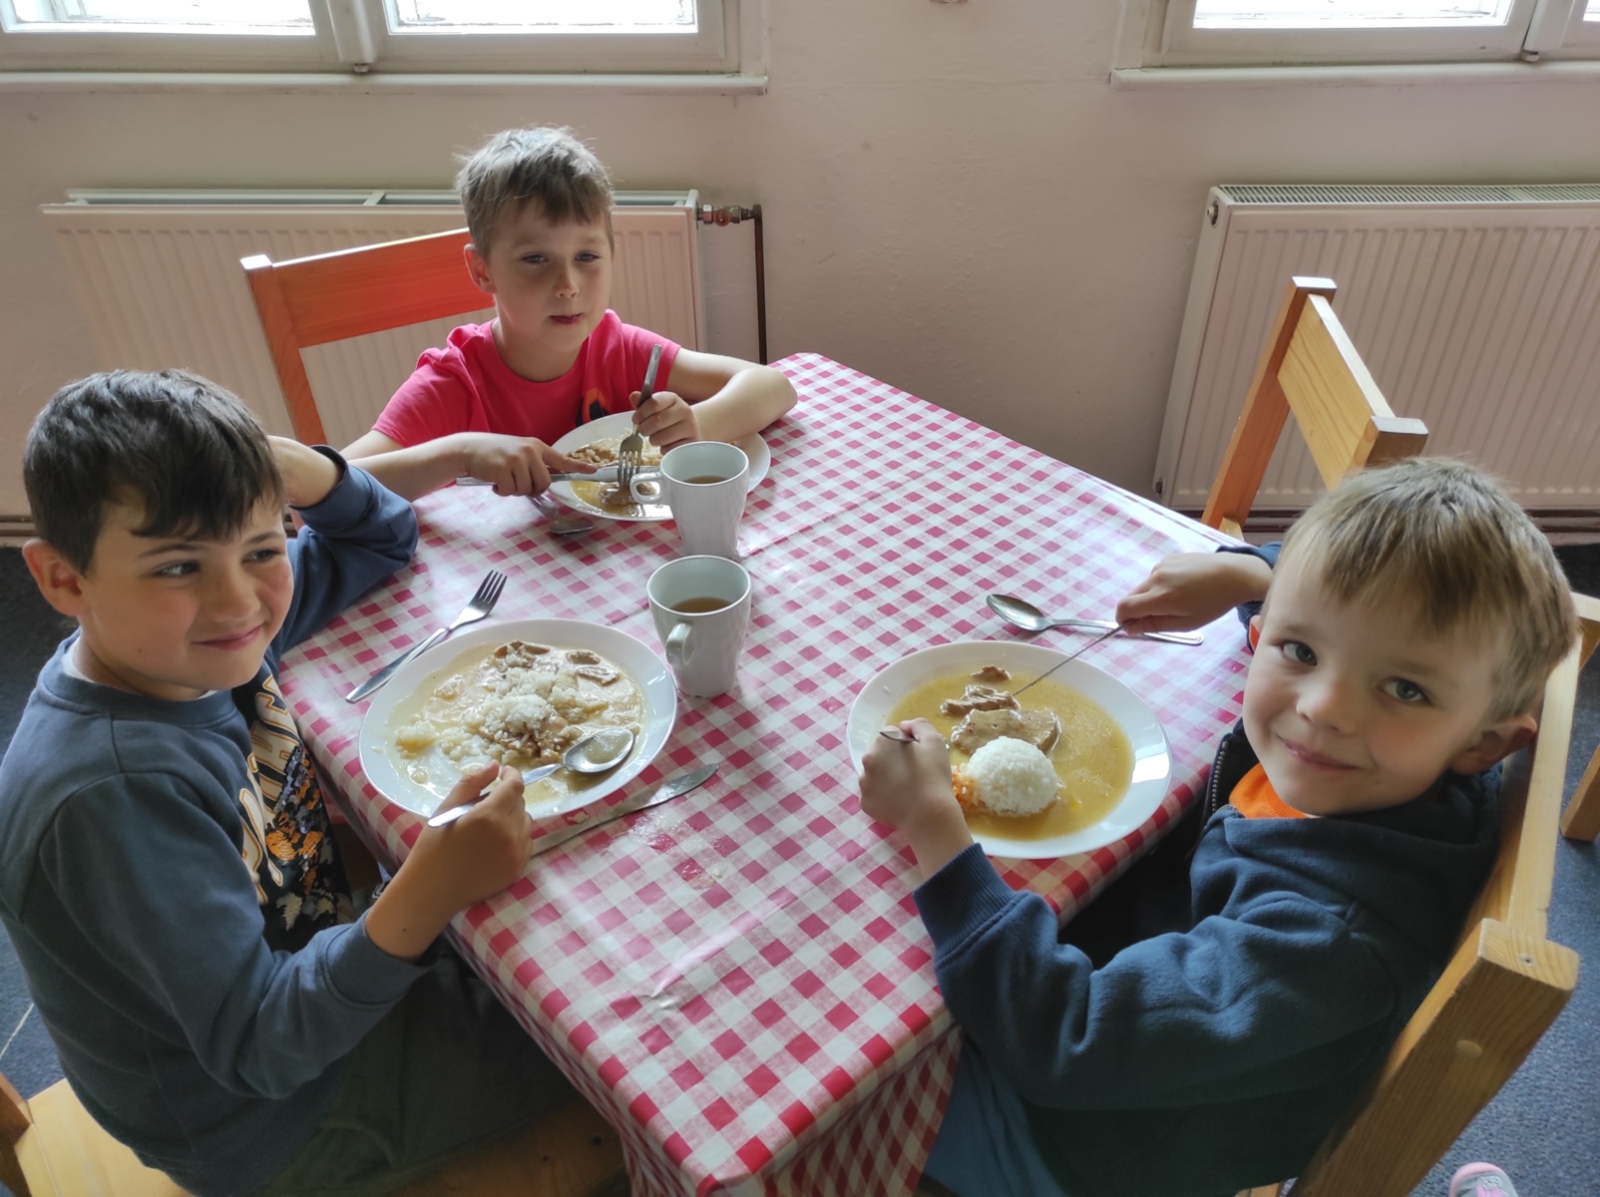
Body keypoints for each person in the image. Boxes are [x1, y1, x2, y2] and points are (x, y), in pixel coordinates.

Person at [858, 458, 1577, 1197]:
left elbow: (1064, 1036)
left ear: (1485, 744)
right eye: (1301, 650)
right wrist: (1248, 573)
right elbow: (1337, 592)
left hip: (1072, 1145)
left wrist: (933, 823)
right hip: (1146, 995)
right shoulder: (1397, 766)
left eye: (1405, 688)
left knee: (845, 1073)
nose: (1323, 706)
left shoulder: (1326, 942)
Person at [0, 370, 572, 1197]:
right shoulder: (112, 794)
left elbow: (382, 540)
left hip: (312, 966)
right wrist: (426, 889)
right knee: (593, 1036)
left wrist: (301, 469)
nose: (239, 600)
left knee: (549, 934)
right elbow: (261, 1047)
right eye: (176, 565)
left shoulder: (185, 648)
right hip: (279, 1120)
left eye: (263, 549)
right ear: (64, 578)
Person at [344, 126, 797, 500]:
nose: (567, 285)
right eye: (535, 259)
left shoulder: (619, 350)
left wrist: (696, 424)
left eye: (586, 257)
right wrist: (459, 454)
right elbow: (325, 490)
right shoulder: (454, 385)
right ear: (483, 270)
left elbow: (773, 387)